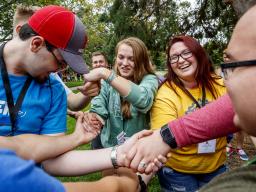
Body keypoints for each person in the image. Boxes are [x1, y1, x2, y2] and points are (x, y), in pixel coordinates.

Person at [149, 35, 227, 191]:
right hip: (178, 171)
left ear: (198, 53)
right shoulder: (166, 92)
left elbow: (244, 113)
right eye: (174, 57)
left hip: (216, 165)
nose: (180, 60)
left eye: (186, 53)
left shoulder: (219, 83)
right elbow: (162, 136)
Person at [83, 37, 158, 186]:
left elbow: (143, 100)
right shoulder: (106, 83)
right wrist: (93, 117)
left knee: (133, 187)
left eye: (131, 59)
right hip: (111, 149)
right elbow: (98, 105)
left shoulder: (149, 79)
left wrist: (107, 74)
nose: (124, 63)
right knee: (110, 185)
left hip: (137, 153)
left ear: (141, 60)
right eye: (121, 57)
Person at [12, 4, 100, 113]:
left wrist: (88, 92)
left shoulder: (48, 77)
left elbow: (72, 102)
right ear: (20, 31)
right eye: (30, 29)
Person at [223, 49, 249, 161]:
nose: (226, 58)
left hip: (240, 100)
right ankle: (228, 145)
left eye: (228, 56)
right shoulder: (220, 70)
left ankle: (239, 147)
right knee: (225, 125)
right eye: (224, 56)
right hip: (225, 101)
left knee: (240, 127)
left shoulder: (241, 70)